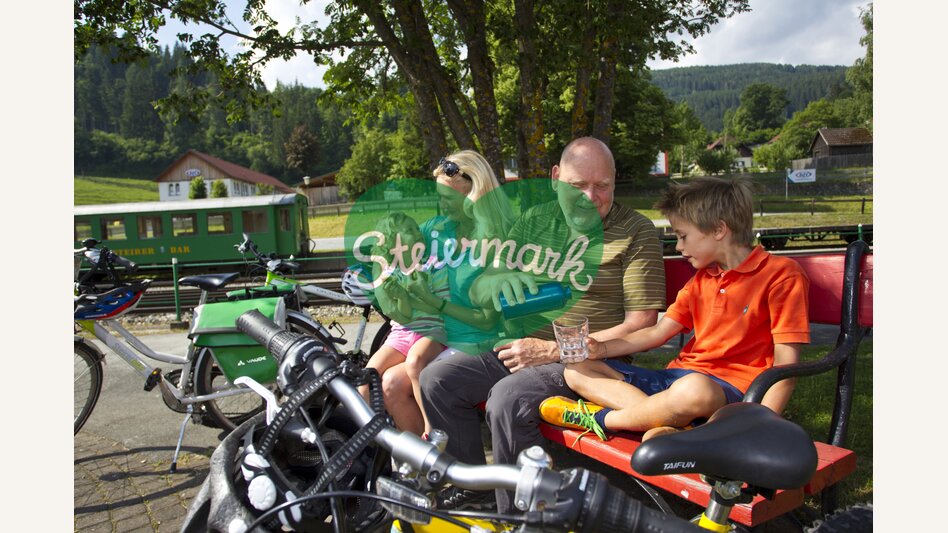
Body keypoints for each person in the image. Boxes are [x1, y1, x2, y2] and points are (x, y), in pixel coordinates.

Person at [419, 137, 666, 511]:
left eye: (602, 185)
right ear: (554, 178)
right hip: (520, 345)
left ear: (615, 182)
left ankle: (521, 515)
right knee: (437, 378)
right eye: (577, 185)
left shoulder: (635, 232)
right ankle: (474, 486)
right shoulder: (535, 221)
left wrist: (555, 350)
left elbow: (641, 324)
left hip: (589, 361)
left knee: (507, 399)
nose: (589, 195)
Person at [540, 177, 810, 442]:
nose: (679, 246)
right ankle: (669, 424)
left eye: (683, 236)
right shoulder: (702, 281)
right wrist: (601, 348)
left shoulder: (781, 276)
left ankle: (600, 419)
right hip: (675, 382)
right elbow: (657, 333)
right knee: (577, 369)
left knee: (694, 390)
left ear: (718, 230)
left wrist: (762, 423)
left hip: (728, 393)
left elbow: (786, 366)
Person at [378, 150, 513, 438]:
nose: (443, 206)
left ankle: (449, 459)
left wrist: (433, 303)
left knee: (423, 372)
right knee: (389, 382)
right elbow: (398, 248)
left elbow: (488, 321)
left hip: (480, 337)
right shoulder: (436, 229)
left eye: (449, 200)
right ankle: (422, 464)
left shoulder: (496, 242)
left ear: (476, 195)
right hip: (441, 333)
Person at [359, 212, 448, 436]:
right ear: (393, 243)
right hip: (402, 334)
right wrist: (401, 297)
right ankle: (373, 437)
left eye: (416, 228)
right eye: (409, 231)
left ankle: (430, 426)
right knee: (365, 379)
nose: (417, 233)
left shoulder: (429, 265)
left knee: (415, 362)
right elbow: (404, 315)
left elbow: (437, 307)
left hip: (432, 330)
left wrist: (413, 295)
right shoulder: (391, 271)